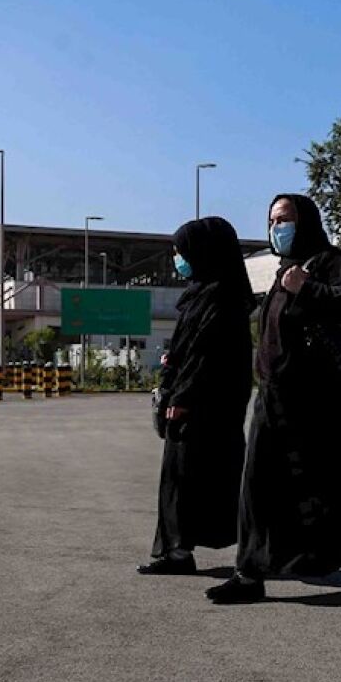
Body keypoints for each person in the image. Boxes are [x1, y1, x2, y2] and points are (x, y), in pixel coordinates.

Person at [207, 194, 341, 604]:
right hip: (275, 397)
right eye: (271, 221)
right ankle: (249, 573)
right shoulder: (285, 268)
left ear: (306, 222)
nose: (276, 228)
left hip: (321, 402)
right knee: (258, 484)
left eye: (284, 219)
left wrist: (309, 288)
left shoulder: (332, 263)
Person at [140, 216, 255, 576]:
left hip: (207, 406)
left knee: (192, 479)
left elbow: (209, 354)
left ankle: (184, 552)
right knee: (179, 478)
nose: (178, 258)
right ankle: (177, 550)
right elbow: (191, 347)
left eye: (182, 251)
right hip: (193, 400)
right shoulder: (201, 294)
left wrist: (183, 397)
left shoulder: (222, 297)